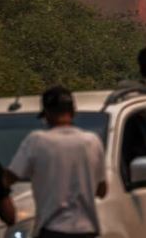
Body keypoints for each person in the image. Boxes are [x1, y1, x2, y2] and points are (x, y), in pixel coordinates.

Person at [7, 86, 107, 238]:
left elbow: (9, 177)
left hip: (52, 230)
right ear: (73, 112)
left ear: (46, 115)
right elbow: (102, 190)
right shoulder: (92, 141)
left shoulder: (37, 141)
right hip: (87, 230)